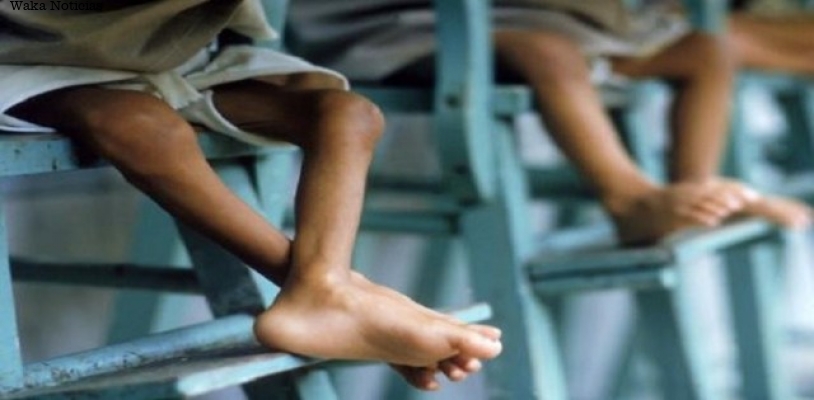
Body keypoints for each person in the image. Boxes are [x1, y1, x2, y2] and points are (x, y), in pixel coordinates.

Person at [0, 0, 502, 391]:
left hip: (178, 59)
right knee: (146, 127)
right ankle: (339, 294)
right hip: (31, 56)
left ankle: (326, 285)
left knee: (351, 115)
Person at [289, 0, 812, 246]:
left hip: (556, 18)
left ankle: (696, 183)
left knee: (706, 48)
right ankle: (628, 198)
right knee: (549, 53)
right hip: (415, 22)